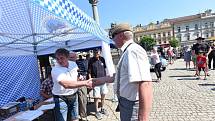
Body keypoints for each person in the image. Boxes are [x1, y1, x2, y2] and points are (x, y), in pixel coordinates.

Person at [91, 23, 153, 121]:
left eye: (113, 37)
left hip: (132, 105)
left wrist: (143, 117)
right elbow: (119, 76)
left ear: (120, 35)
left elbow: (145, 83)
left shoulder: (133, 51)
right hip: (126, 103)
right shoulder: (127, 51)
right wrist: (97, 80)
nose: (112, 40)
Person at [51, 48, 92, 121]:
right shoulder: (55, 69)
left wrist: (80, 79)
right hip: (60, 97)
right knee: (62, 119)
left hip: (73, 95)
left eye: (62, 58)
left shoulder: (73, 64)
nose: (59, 61)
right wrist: (85, 83)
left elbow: (76, 77)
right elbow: (66, 85)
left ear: (67, 57)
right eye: (57, 59)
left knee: (75, 118)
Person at [88, 49, 108, 120]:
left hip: (103, 82)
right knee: (96, 98)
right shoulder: (91, 60)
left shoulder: (102, 59)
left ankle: (102, 108)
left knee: (103, 96)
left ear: (100, 52)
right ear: (93, 53)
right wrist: (91, 81)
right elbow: (89, 72)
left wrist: (106, 79)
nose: (96, 53)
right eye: (94, 52)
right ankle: (96, 111)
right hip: (96, 83)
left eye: (97, 52)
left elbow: (105, 69)